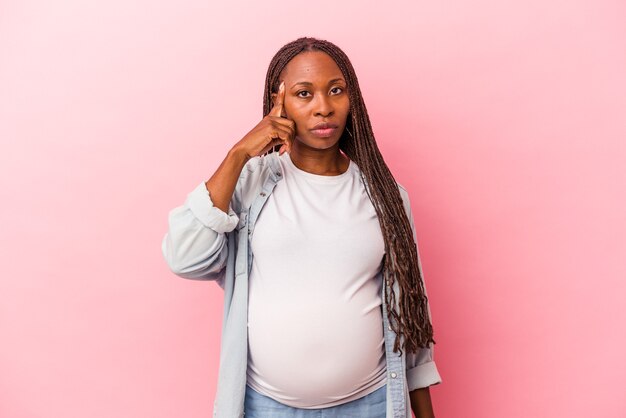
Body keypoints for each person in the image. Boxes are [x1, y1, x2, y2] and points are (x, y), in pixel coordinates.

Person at [161, 36, 442, 418]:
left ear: (352, 100)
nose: (323, 108)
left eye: (336, 91)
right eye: (304, 94)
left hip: (373, 403)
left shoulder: (387, 197)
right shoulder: (250, 184)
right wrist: (239, 153)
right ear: (279, 104)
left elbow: (411, 323)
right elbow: (185, 258)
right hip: (266, 407)